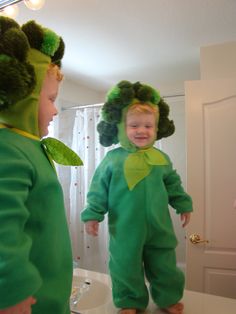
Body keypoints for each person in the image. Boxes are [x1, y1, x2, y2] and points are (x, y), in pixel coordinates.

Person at [81, 80, 193, 314]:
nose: (142, 131)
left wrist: (183, 204)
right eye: (134, 126)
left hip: (159, 227)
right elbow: (97, 189)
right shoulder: (112, 160)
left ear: (156, 128)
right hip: (125, 228)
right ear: (121, 127)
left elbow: (174, 184)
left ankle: (168, 298)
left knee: (165, 265)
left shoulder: (161, 158)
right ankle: (130, 301)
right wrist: (92, 215)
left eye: (148, 126)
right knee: (125, 266)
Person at [0, 17, 82, 314]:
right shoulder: (7, 147)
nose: (55, 109)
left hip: (49, 296)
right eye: (50, 98)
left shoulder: (29, 147)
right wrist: (11, 290)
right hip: (27, 301)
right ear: (25, 98)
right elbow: (2, 224)